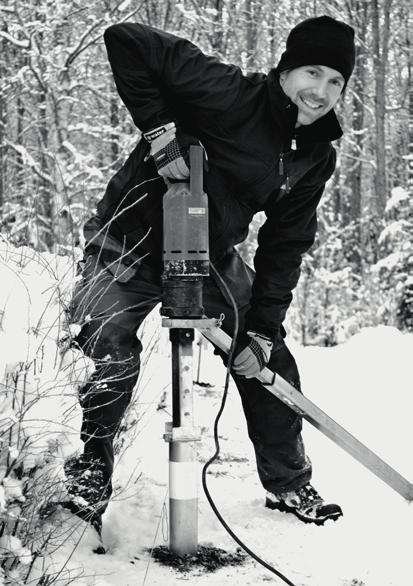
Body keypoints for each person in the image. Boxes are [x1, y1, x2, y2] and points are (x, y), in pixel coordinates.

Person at [65, 15, 356, 538]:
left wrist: (263, 330)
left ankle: (287, 481)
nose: (322, 91)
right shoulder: (228, 93)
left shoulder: (315, 155)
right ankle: (89, 473)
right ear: (287, 70)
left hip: (208, 256)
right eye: (312, 73)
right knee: (108, 345)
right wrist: (159, 132)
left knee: (269, 358)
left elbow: (284, 246)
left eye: (336, 81)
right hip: (126, 243)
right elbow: (126, 40)